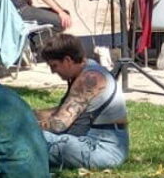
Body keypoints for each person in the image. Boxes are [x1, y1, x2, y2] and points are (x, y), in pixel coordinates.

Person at [35, 34, 128, 170]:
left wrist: (25, 125)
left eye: (54, 65)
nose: (53, 71)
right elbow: (63, 110)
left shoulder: (90, 78)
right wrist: (28, 114)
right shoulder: (88, 69)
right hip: (99, 145)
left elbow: (58, 124)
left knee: (27, 137)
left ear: (67, 60)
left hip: (103, 150)